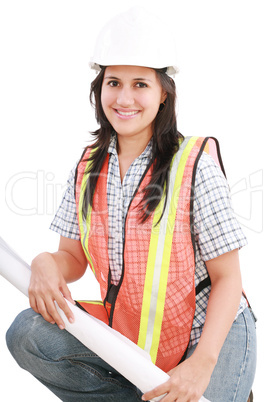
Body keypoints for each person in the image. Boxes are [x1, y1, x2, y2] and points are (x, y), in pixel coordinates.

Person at [6, 7, 256, 402]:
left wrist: (202, 364)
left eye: (140, 84)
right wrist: (45, 262)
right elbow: (71, 257)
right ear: (98, 89)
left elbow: (228, 278)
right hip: (135, 332)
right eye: (113, 82)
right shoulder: (89, 166)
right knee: (27, 335)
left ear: (163, 95)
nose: (124, 98)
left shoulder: (193, 165)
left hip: (208, 335)